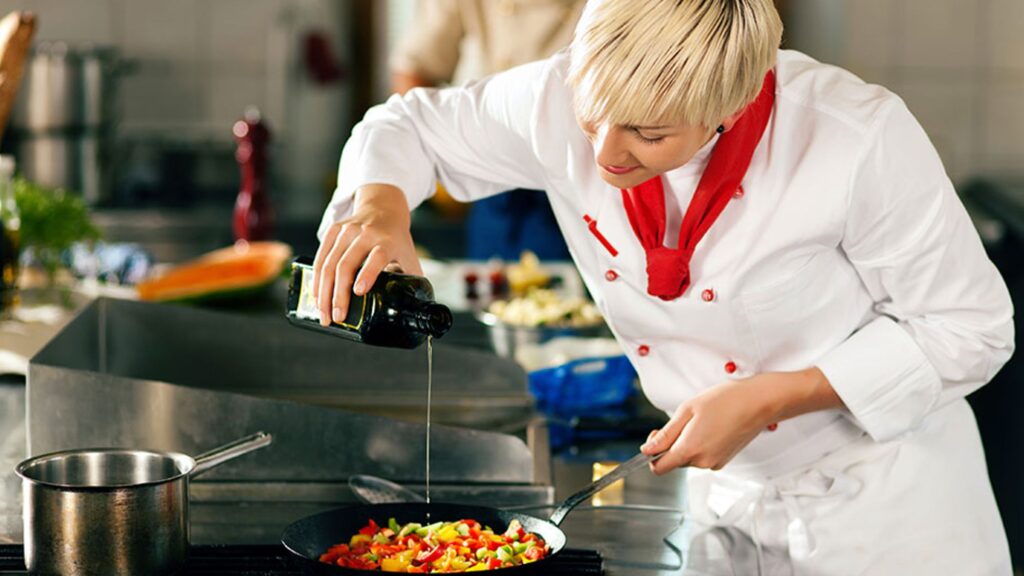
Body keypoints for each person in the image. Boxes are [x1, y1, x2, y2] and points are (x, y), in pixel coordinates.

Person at [313, 0, 1015, 573]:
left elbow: (972, 328)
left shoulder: (852, 135)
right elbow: (408, 125)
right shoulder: (561, 100)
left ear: (732, 107)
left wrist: (769, 398)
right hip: (722, 504)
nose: (605, 153)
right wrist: (381, 208)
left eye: (649, 134)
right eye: (590, 116)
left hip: (885, 508)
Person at [390, 0, 586, 261]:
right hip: (498, 179)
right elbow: (416, 68)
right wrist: (433, 164)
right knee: (492, 291)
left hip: (586, 171)